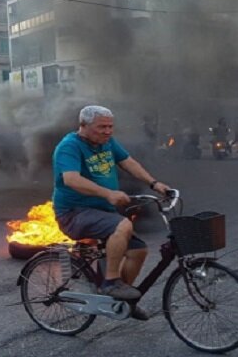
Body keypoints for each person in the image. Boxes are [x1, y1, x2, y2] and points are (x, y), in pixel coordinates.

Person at [52, 106, 170, 321]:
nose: (108, 131)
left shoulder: (107, 143)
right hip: (74, 213)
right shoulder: (69, 146)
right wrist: (107, 193)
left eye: (110, 127)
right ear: (84, 126)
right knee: (123, 224)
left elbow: (128, 162)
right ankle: (110, 282)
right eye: (102, 127)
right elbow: (71, 179)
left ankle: (122, 301)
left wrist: (154, 183)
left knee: (139, 251)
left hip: (101, 213)